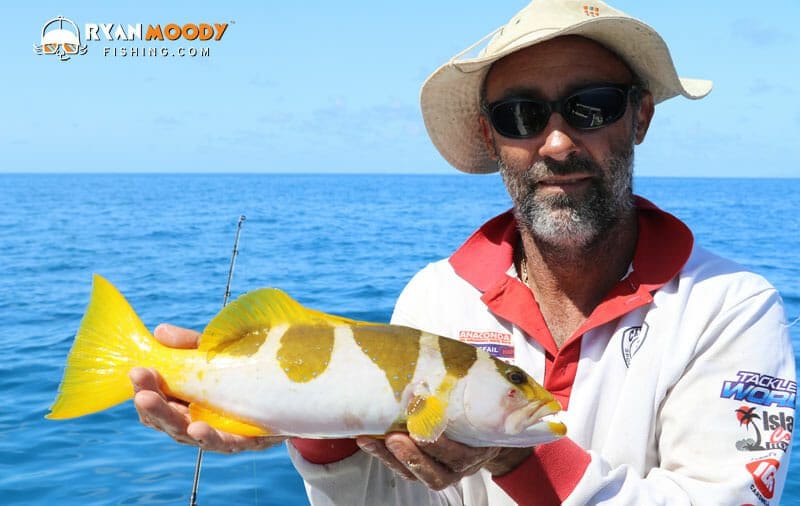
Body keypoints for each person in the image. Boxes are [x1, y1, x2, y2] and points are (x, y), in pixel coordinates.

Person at [130, 0, 796, 504]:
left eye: (590, 107)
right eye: (521, 116)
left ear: (640, 117)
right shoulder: (435, 298)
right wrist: (316, 426)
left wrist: (512, 459)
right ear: (490, 137)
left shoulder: (730, 309)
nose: (557, 143)